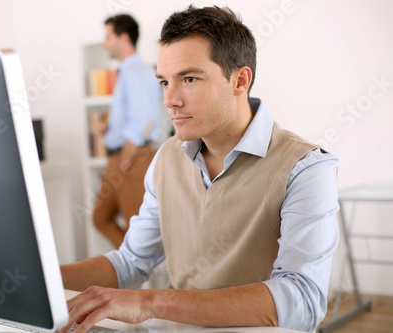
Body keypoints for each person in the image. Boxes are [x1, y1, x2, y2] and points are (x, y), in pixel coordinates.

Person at [60, 5, 339, 333]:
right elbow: (130, 263)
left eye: (189, 79)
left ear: (240, 80)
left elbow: (303, 301)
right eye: (164, 82)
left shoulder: (305, 168)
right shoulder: (166, 158)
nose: (170, 100)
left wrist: (150, 302)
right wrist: (33, 280)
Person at [92, 14, 160, 248]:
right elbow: (133, 115)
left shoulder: (137, 72)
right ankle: (131, 267)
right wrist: (109, 128)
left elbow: (141, 121)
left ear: (123, 37)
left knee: (138, 231)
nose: (104, 43)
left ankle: (136, 274)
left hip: (131, 157)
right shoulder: (127, 72)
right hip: (121, 156)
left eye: (108, 37)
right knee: (100, 218)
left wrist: (125, 161)